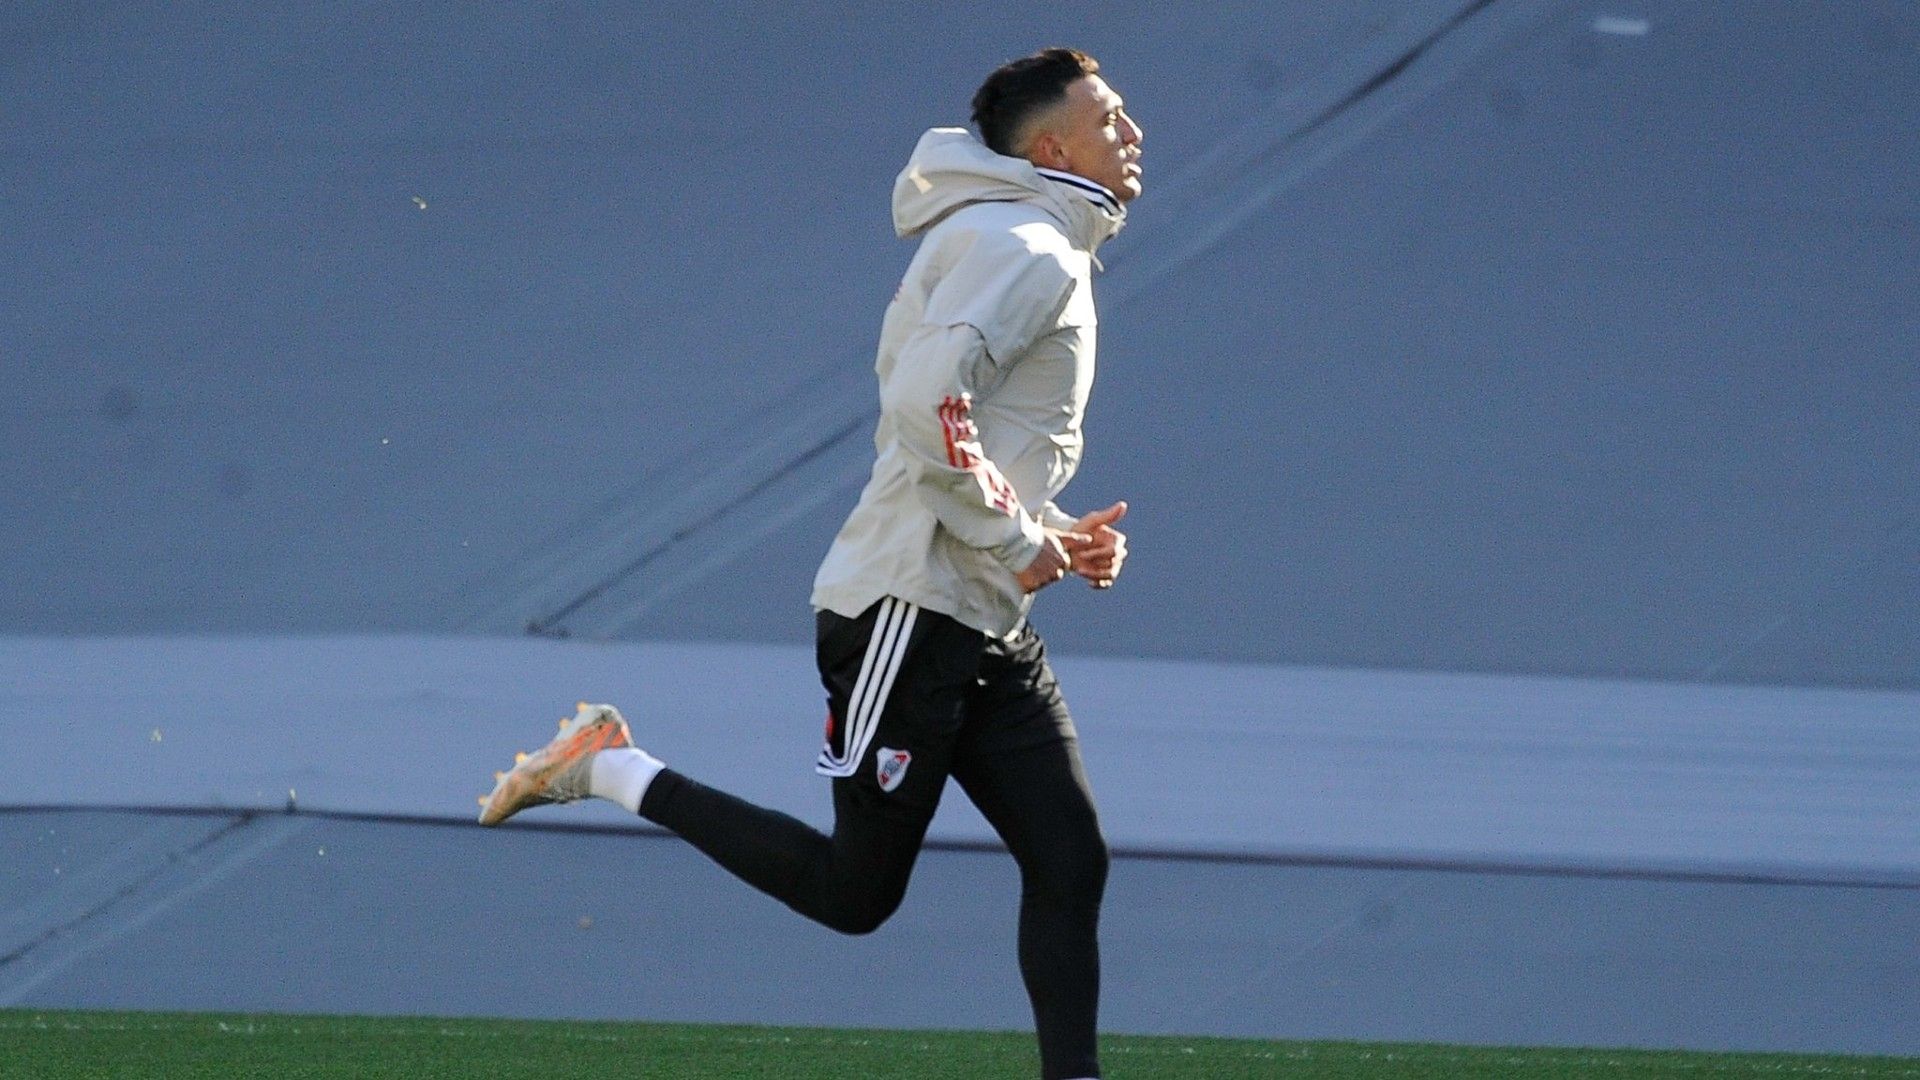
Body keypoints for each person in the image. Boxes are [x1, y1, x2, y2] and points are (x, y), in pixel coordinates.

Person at [479, 47, 1143, 1080]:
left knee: (1069, 856)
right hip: (908, 614)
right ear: (1051, 147)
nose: (1131, 133)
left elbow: (968, 434)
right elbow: (926, 408)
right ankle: (606, 766)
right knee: (854, 895)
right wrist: (1024, 540)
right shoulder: (1028, 247)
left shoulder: (1023, 239)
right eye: (1109, 118)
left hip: (979, 614)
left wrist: (1045, 533)